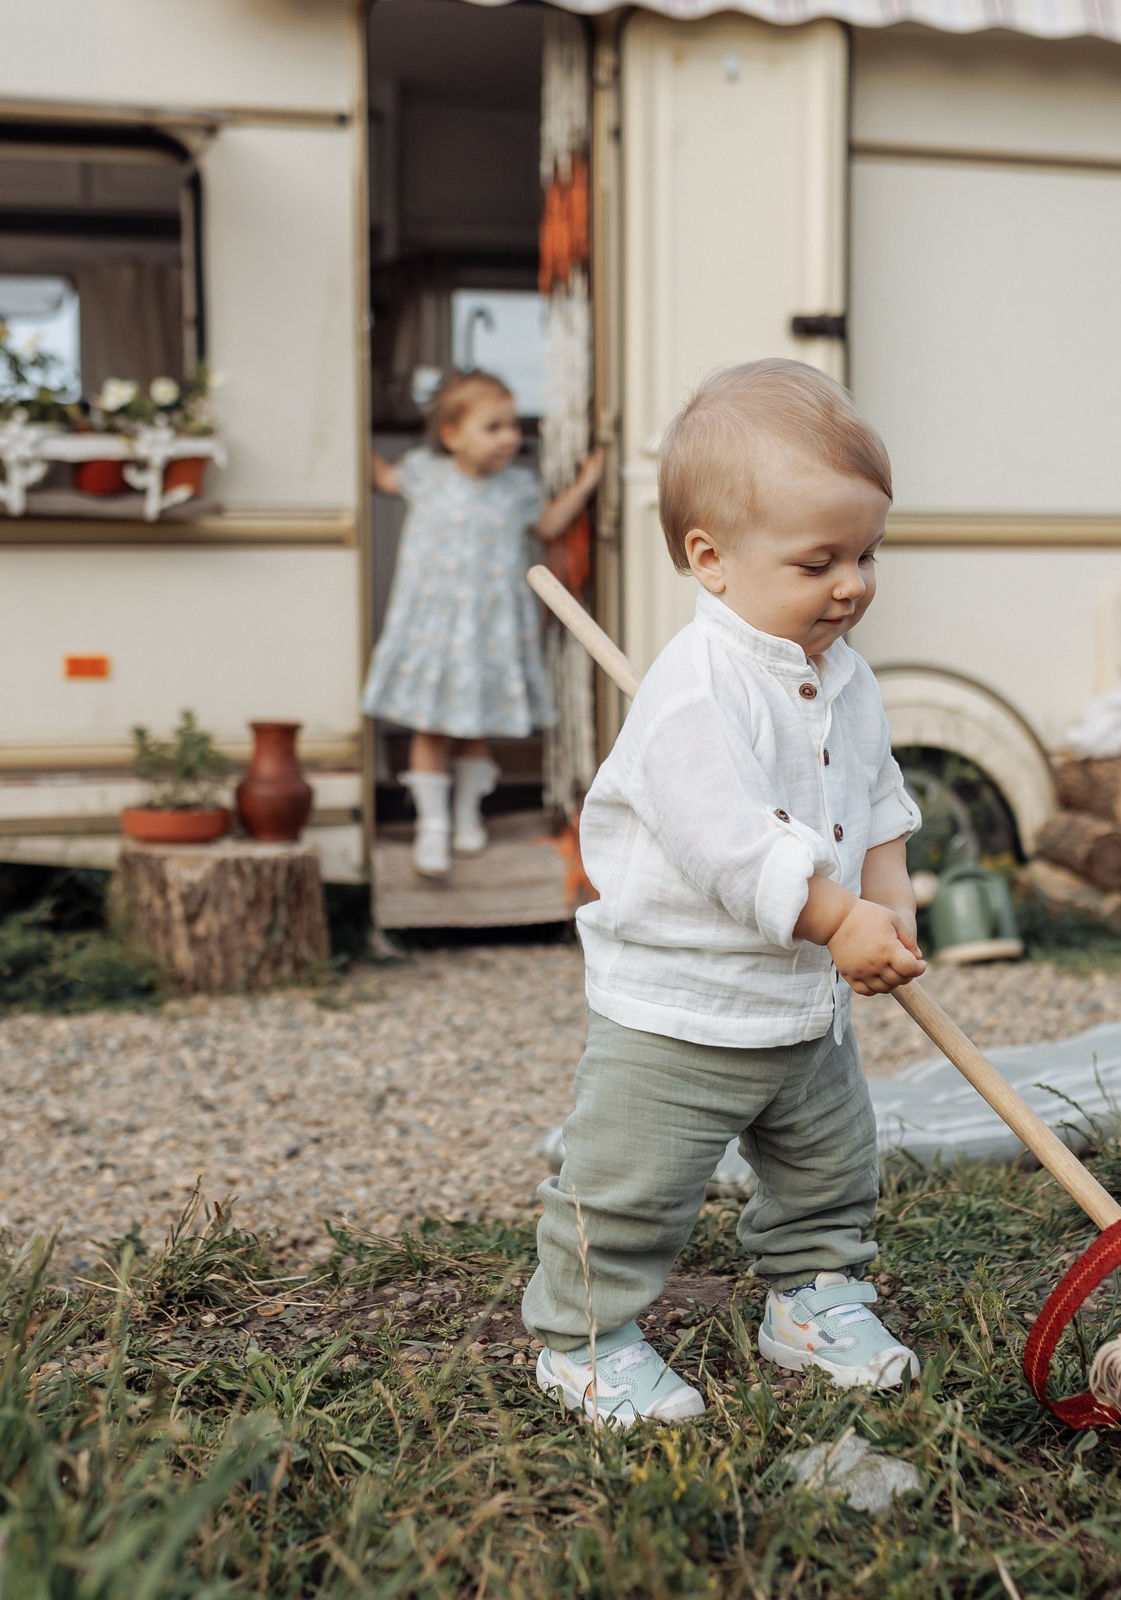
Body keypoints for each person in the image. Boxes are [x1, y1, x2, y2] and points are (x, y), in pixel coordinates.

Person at [523, 359, 927, 1428]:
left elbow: (877, 801)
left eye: (866, 553)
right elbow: (733, 848)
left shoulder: (849, 675)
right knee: (629, 1185)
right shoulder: (693, 692)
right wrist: (839, 917)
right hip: (685, 1007)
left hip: (803, 1001)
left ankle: (811, 1294)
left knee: (830, 1164)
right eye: (818, 560)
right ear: (710, 558)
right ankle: (583, 1338)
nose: (852, 584)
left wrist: (889, 902)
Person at [364, 370, 603, 875]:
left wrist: (587, 482)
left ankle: (467, 813)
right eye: (493, 427)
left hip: (490, 630)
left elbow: (547, 526)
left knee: (477, 727)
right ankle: (433, 827)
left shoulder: (516, 486)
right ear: (451, 434)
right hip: (436, 627)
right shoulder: (425, 472)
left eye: (512, 425)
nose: (510, 437)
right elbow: (382, 478)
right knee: (431, 727)